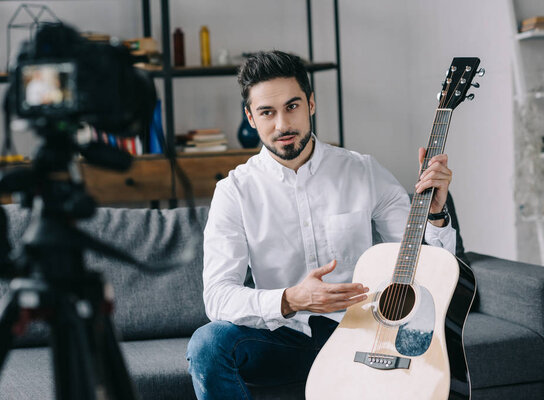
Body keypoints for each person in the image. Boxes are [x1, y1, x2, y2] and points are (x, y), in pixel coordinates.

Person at [186, 50, 455, 400]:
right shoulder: (234, 192)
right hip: (285, 339)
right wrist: (291, 298)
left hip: (364, 330)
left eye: (292, 106)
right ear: (251, 118)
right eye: (267, 112)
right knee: (207, 345)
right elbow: (218, 297)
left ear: (311, 104)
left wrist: (434, 213)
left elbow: (427, 271)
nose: (282, 124)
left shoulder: (363, 171)